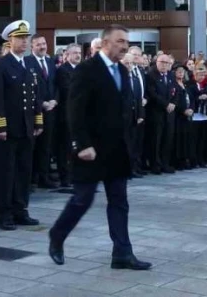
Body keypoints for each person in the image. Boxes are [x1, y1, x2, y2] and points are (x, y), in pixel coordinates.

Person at [48, 24, 152, 271]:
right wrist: (81, 144)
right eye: (119, 41)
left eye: (126, 41)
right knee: (82, 200)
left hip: (116, 150)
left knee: (119, 201)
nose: (124, 46)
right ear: (105, 43)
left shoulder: (123, 72)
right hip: (91, 150)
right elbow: (75, 110)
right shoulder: (87, 69)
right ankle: (57, 235)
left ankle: (122, 254)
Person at [0, 20, 44, 230]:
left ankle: (21, 209)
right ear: (9, 40)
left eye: (26, 38)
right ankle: (3, 214)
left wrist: (38, 120)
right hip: (8, 129)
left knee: (23, 171)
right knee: (5, 173)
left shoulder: (30, 64)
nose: (24, 42)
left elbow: (36, 95)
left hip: (26, 127)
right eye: (19, 38)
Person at [26, 35, 59, 190]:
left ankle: (43, 177)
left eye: (44, 43)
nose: (42, 46)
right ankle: (31, 178)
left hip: (50, 110)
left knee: (46, 145)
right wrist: (41, 103)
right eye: (38, 44)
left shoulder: (51, 62)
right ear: (32, 46)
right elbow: (27, 89)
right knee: (32, 146)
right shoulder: (27, 62)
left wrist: (54, 101)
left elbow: (55, 85)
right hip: (33, 111)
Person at [145, 53, 177, 174]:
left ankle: (165, 163)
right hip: (157, 113)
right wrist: (166, 104)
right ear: (156, 62)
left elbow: (176, 91)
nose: (164, 65)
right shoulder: (151, 75)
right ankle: (155, 165)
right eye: (162, 62)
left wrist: (173, 103)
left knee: (167, 139)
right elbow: (152, 94)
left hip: (169, 114)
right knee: (156, 140)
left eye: (167, 63)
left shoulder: (170, 75)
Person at [56, 44, 82, 185]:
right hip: (66, 115)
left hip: (79, 115)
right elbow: (68, 90)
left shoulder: (81, 69)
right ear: (68, 54)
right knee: (65, 147)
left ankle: (75, 174)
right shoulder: (63, 70)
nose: (78, 55)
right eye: (75, 53)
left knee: (76, 147)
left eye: (79, 53)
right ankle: (65, 176)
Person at [121, 47, 145, 178]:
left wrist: (140, 114)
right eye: (126, 63)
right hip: (122, 117)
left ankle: (133, 168)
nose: (129, 65)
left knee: (134, 143)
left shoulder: (134, 77)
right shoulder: (118, 78)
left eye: (130, 63)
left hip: (134, 116)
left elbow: (138, 98)